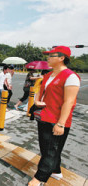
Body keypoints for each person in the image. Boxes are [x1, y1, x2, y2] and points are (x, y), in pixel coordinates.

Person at [28, 46, 80, 186]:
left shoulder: (71, 77)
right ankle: (56, 171)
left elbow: (69, 102)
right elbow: (42, 92)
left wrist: (61, 123)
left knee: (50, 151)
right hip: (44, 117)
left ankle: (39, 178)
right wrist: (38, 101)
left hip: (57, 120)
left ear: (62, 58)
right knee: (48, 149)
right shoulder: (48, 75)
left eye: (51, 55)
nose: (48, 58)